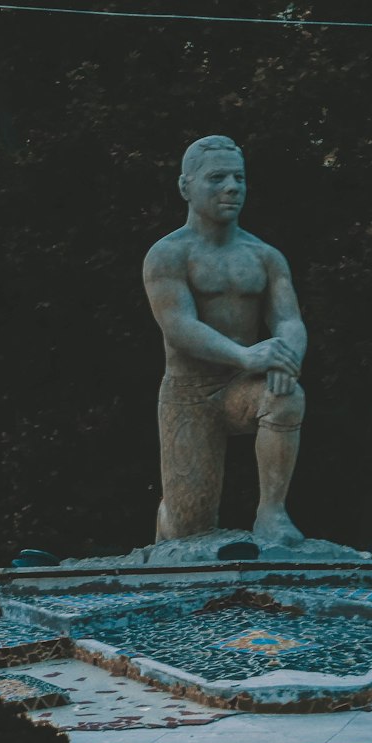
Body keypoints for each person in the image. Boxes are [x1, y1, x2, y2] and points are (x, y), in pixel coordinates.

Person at [143, 135, 307, 544]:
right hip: (188, 393)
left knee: (286, 396)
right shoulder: (168, 254)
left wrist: (287, 358)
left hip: (240, 388)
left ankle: (272, 514)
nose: (232, 187)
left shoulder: (265, 256)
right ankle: (166, 537)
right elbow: (178, 326)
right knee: (188, 529)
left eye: (239, 177)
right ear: (186, 186)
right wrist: (244, 355)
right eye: (217, 178)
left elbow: (289, 319)